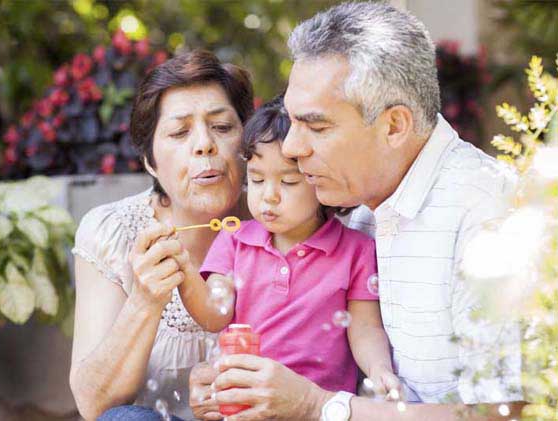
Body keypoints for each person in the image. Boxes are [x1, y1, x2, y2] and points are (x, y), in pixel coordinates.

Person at [193, 2, 526, 420]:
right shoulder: (354, 203)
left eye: (316, 126)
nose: (294, 148)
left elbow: (506, 415)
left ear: (393, 126)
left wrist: (317, 407)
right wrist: (233, 382)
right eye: (293, 122)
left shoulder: (487, 217)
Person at [174, 96, 399, 402]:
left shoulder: (355, 251)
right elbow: (215, 314)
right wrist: (184, 271)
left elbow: (365, 328)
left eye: (289, 182)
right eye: (256, 179)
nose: (269, 196)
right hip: (247, 403)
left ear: (320, 179)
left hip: (319, 406)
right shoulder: (234, 241)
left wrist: (379, 369)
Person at [69, 50, 254, 421]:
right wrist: (144, 301)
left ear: (248, 142)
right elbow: (94, 407)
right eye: (180, 132)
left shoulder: (283, 223)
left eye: (221, 127)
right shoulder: (113, 231)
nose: (204, 144)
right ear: (150, 160)